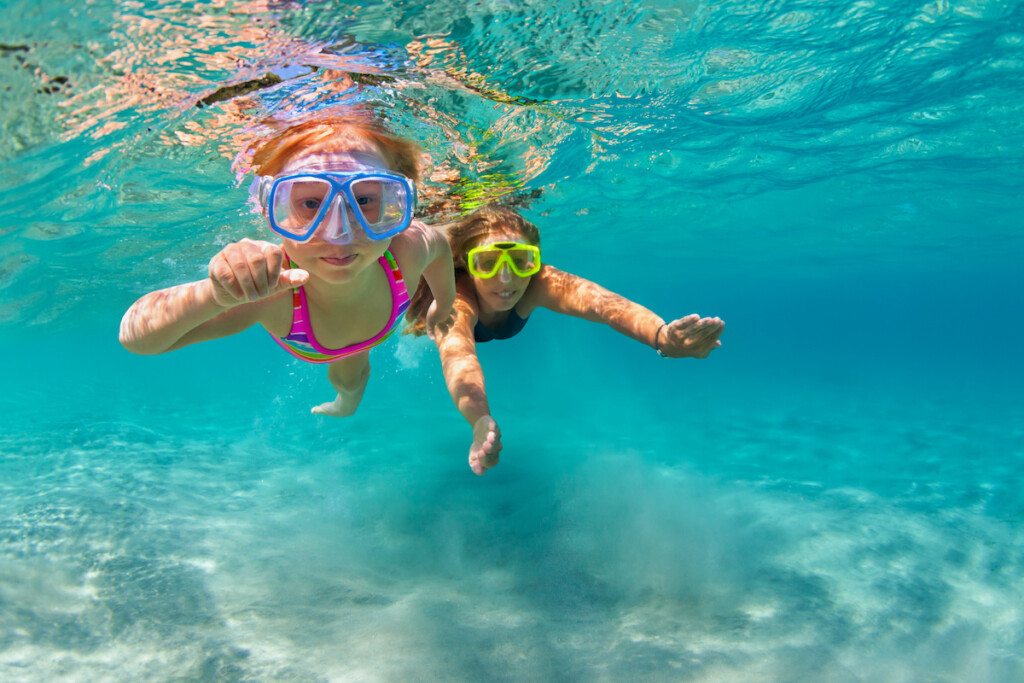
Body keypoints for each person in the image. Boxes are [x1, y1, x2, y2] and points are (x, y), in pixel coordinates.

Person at [120, 116, 456, 416]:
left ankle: (346, 404)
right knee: (347, 376)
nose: (339, 233)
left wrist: (442, 305)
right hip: (313, 339)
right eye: (310, 203)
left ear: (395, 201)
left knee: (353, 377)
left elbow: (441, 250)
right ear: (273, 209)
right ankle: (345, 403)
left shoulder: (407, 248)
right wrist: (216, 295)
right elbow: (136, 339)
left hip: (367, 337)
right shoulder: (270, 289)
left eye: (365, 200)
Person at [405, 205, 724, 475]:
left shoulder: (538, 283)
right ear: (468, 265)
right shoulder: (456, 298)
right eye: (488, 263)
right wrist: (478, 420)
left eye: (520, 260)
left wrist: (662, 337)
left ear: (535, 261)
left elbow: (603, 304)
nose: (506, 278)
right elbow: (459, 356)